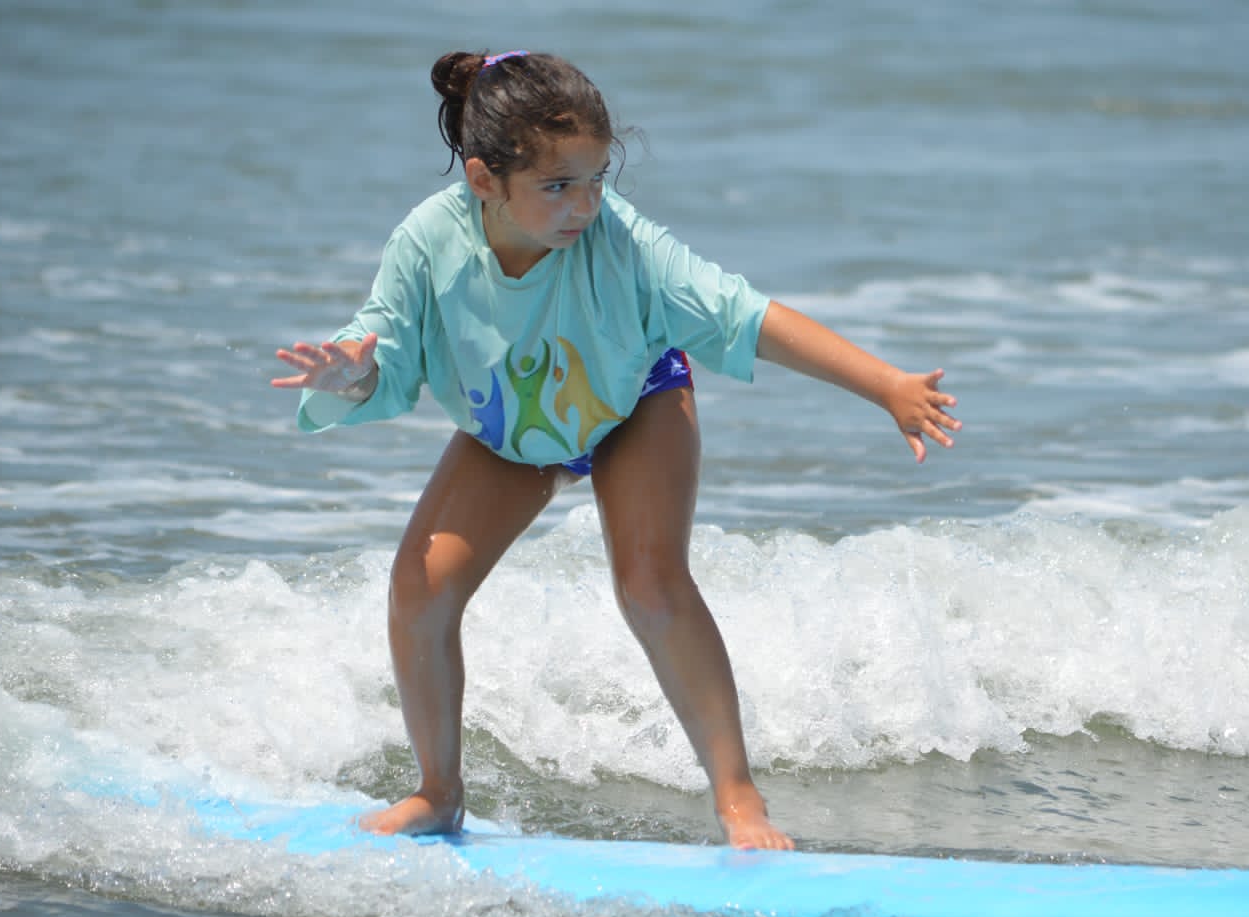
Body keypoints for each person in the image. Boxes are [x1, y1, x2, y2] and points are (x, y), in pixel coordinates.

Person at [270, 49, 960, 851]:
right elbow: (379, 346)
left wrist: (885, 385)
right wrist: (352, 372)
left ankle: (738, 799)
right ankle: (438, 792)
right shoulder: (428, 243)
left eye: (597, 178)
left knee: (649, 586)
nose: (585, 204)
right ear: (484, 179)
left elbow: (741, 315)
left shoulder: (621, 242)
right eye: (558, 185)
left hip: (634, 399)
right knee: (418, 586)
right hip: (512, 427)